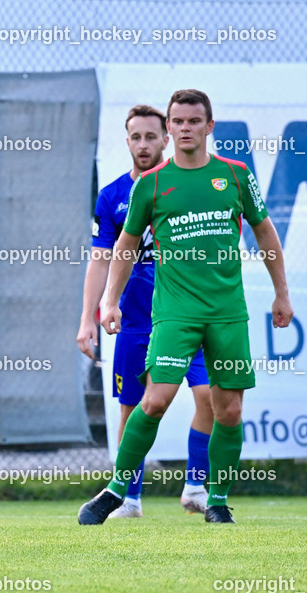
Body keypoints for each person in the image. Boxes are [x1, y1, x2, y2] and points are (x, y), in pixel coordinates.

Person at [79, 89, 293, 525]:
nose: (185, 129)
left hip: (227, 312)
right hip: (175, 313)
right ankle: (118, 491)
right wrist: (110, 302)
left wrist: (282, 292)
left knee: (228, 408)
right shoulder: (151, 184)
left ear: (209, 126)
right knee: (154, 400)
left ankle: (216, 500)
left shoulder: (234, 176)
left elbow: (266, 233)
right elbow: (125, 245)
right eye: (178, 122)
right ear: (170, 128)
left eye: (194, 121)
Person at [77, 104, 213, 518]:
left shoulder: (181, 187)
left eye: (151, 136)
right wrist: (90, 317)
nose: (143, 144)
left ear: (166, 139)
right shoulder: (113, 196)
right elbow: (101, 259)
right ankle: (129, 497)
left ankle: (196, 485)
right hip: (136, 321)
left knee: (208, 395)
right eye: (135, 137)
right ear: (127, 141)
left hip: (185, 314)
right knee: (132, 409)